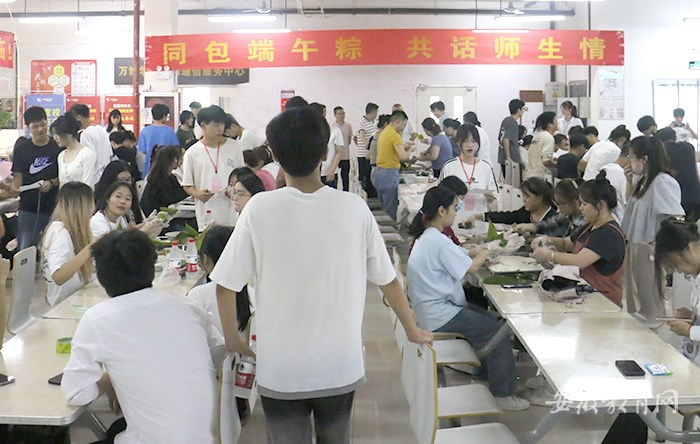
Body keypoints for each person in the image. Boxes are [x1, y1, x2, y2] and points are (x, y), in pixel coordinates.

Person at [210, 107, 432, 444]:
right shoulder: (353, 208)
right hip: (339, 365)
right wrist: (412, 330)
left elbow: (225, 285)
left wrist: (233, 340)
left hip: (281, 368)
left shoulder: (259, 208)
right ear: (325, 154)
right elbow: (388, 280)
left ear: (275, 156)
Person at [61, 229, 226, 444]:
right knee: (118, 427)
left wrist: (109, 380)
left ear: (101, 276)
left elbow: (76, 394)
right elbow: (219, 352)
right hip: (210, 436)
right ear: (151, 268)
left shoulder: (97, 319)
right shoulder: (187, 306)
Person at [406, 186, 529, 411]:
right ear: (441, 211)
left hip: (431, 308)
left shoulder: (429, 236)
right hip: (439, 314)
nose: (457, 212)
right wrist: (489, 250)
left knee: (492, 321)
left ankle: (483, 377)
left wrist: (479, 248)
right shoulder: (438, 240)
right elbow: (471, 267)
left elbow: (460, 254)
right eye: (455, 208)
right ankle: (503, 394)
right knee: (497, 332)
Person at [531, 172, 626, 308]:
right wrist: (546, 239)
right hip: (583, 296)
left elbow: (578, 261)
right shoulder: (590, 226)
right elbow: (566, 243)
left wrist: (549, 255)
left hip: (603, 302)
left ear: (600, 205)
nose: (580, 208)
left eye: (584, 204)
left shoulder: (608, 234)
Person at [622, 135, 684, 323]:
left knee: (652, 295)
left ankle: (656, 331)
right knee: (636, 293)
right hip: (635, 243)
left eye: (632, 156)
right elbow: (631, 205)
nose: (629, 161)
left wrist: (657, 243)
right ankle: (641, 330)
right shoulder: (642, 181)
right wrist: (629, 182)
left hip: (650, 246)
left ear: (645, 158)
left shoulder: (662, 181)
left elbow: (674, 217)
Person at [182, 105, 243, 228]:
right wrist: (198, 194)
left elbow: (242, 175)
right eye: (216, 125)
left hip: (232, 212)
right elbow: (187, 185)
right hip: (206, 212)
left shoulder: (234, 146)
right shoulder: (192, 153)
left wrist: (233, 190)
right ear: (204, 126)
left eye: (222, 124)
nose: (220, 129)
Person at [11, 106, 62, 250]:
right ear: (28, 128)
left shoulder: (57, 147)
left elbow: (64, 176)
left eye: (43, 125)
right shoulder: (21, 150)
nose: (40, 129)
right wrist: (14, 187)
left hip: (54, 207)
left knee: (55, 248)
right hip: (28, 208)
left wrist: (51, 183)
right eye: (35, 126)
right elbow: (18, 177)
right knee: (25, 249)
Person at [41, 181, 95, 306]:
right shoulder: (60, 233)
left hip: (74, 296)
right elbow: (58, 276)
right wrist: (90, 248)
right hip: (64, 303)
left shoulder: (68, 230)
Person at [438, 123, 498, 214]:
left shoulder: (486, 167)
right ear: (458, 142)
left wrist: (491, 199)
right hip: (454, 218)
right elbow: (439, 195)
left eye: (473, 141)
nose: (470, 145)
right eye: (465, 141)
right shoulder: (449, 166)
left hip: (479, 218)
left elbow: (495, 195)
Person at [371, 110, 416, 220]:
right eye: (404, 125)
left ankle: (384, 227)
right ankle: (390, 229)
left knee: (384, 206)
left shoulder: (384, 132)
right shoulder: (394, 135)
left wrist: (404, 146)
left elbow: (391, 150)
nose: (403, 128)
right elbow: (403, 157)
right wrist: (411, 149)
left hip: (379, 172)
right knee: (390, 209)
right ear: (399, 122)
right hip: (389, 173)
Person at [464, 177, 557, 226]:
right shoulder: (526, 212)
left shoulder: (554, 218)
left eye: (527, 196)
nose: (524, 200)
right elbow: (508, 217)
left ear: (540, 198)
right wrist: (480, 216)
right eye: (523, 196)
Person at [656, 127, 700, 222]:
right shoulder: (689, 147)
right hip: (695, 195)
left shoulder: (662, 151)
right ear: (675, 137)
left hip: (675, 196)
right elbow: (696, 173)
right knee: (691, 226)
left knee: (678, 228)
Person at [515, 179, 586, 238]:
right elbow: (548, 224)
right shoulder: (565, 216)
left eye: (562, 204)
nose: (559, 208)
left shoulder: (583, 223)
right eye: (557, 204)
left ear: (575, 201)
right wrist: (528, 226)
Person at [141, 146, 190, 228]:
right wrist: (189, 189)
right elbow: (172, 198)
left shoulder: (170, 177)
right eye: (181, 157)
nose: (182, 160)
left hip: (168, 216)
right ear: (175, 159)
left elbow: (179, 193)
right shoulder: (158, 180)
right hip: (158, 220)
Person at [91, 181, 162, 238]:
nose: (123, 201)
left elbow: (126, 234)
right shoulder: (98, 222)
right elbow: (112, 248)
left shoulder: (120, 218)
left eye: (128, 199)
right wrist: (143, 233)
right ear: (107, 199)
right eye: (118, 196)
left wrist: (147, 223)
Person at [69, 104, 113, 178]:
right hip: (106, 175)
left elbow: (88, 160)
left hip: (93, 177)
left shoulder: (86, 134)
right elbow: (110, 154)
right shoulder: (102, 129)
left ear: (78, 118)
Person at [51, 114, 96, 188]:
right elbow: (61, 184)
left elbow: (88, 186)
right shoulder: (61, 155)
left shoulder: (86, 154)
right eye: (54, 134)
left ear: (69, 133)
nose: (55, 138)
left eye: (58, 134)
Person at [137, 103, 179, 177]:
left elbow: (142, 151)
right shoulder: (170, 131)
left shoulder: (144, 131)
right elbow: (175, 149)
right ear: (164, 116)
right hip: (166, 167)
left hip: (149, 168)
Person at [310, 103, 342, 189]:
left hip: (328, 172)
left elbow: (339, 152)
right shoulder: (307, 132)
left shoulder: (335, 130)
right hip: (312, 175)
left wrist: (332, 169)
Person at [600, 140, 630, 225]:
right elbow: (628, 203)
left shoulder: (604, 169)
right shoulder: (621, 174)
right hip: (619, 222)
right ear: (629, 157)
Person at [498, 99, 525, 178]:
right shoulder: (512, 122)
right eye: (522, 109)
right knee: (515, 183)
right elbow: (506, 139)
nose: (523, 111)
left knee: (508, 182)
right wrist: (508, 157)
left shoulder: (506, 120)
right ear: (518, 110)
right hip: (512, 159)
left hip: (502, 157)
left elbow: (500, 137)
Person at [356, 103, 379, 198]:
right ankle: (368, 199)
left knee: (371, 178)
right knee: (367, 179)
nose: (377, 114)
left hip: (370, 155)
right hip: (364, 156)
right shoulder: (362, 122)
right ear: (372, 112)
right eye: (376, 112)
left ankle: (372, 197)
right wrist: (367, 146)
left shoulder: (372, 122)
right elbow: (361, 134)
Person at [525, 111, 556, 179]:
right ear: (550, 125)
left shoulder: (536, 136)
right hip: (540, 176)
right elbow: (545, 161)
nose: (557, 123)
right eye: (556, 121)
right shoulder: (549, 138)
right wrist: (556, 165)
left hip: (530, 173)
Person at [333, 106, 353, 191]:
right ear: (335, 115)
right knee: (334, 176)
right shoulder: (333, 127)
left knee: (345, 177)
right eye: (339, 114)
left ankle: (346, 192)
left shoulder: (348, 126)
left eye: (343, 113)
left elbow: (349, 140)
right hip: (335, 156)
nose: (342, 115)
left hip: (345, 156)